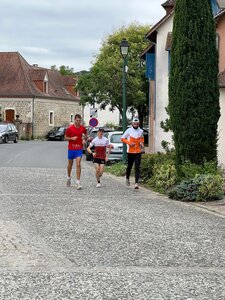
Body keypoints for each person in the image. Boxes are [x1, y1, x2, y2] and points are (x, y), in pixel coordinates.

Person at [64, 114, 87, 190]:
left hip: (79, 149)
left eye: (79, 121)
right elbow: (65, 138)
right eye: (77, 120)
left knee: (78, 164)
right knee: (70, 164)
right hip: (71, 149)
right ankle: (68, 177)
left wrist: (84, 139)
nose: (78, 122)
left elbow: (86, 135)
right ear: (74, 120)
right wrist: (71, 138)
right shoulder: (70, 128)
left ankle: (78, 182)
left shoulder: (82, 128)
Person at [121, 117, 144, 189]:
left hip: (138, 151)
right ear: (132, 124)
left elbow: (142, 139)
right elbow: (122, 138)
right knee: (129, 166)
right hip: (130, 151)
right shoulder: (129, 130)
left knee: (137, 167)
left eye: (137, 123)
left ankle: (136, 183)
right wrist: (129, 142)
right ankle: (127, 177)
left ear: (138, 124)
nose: (135, 124)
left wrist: (142, 143)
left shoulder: (141, 131)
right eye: (134, 123)